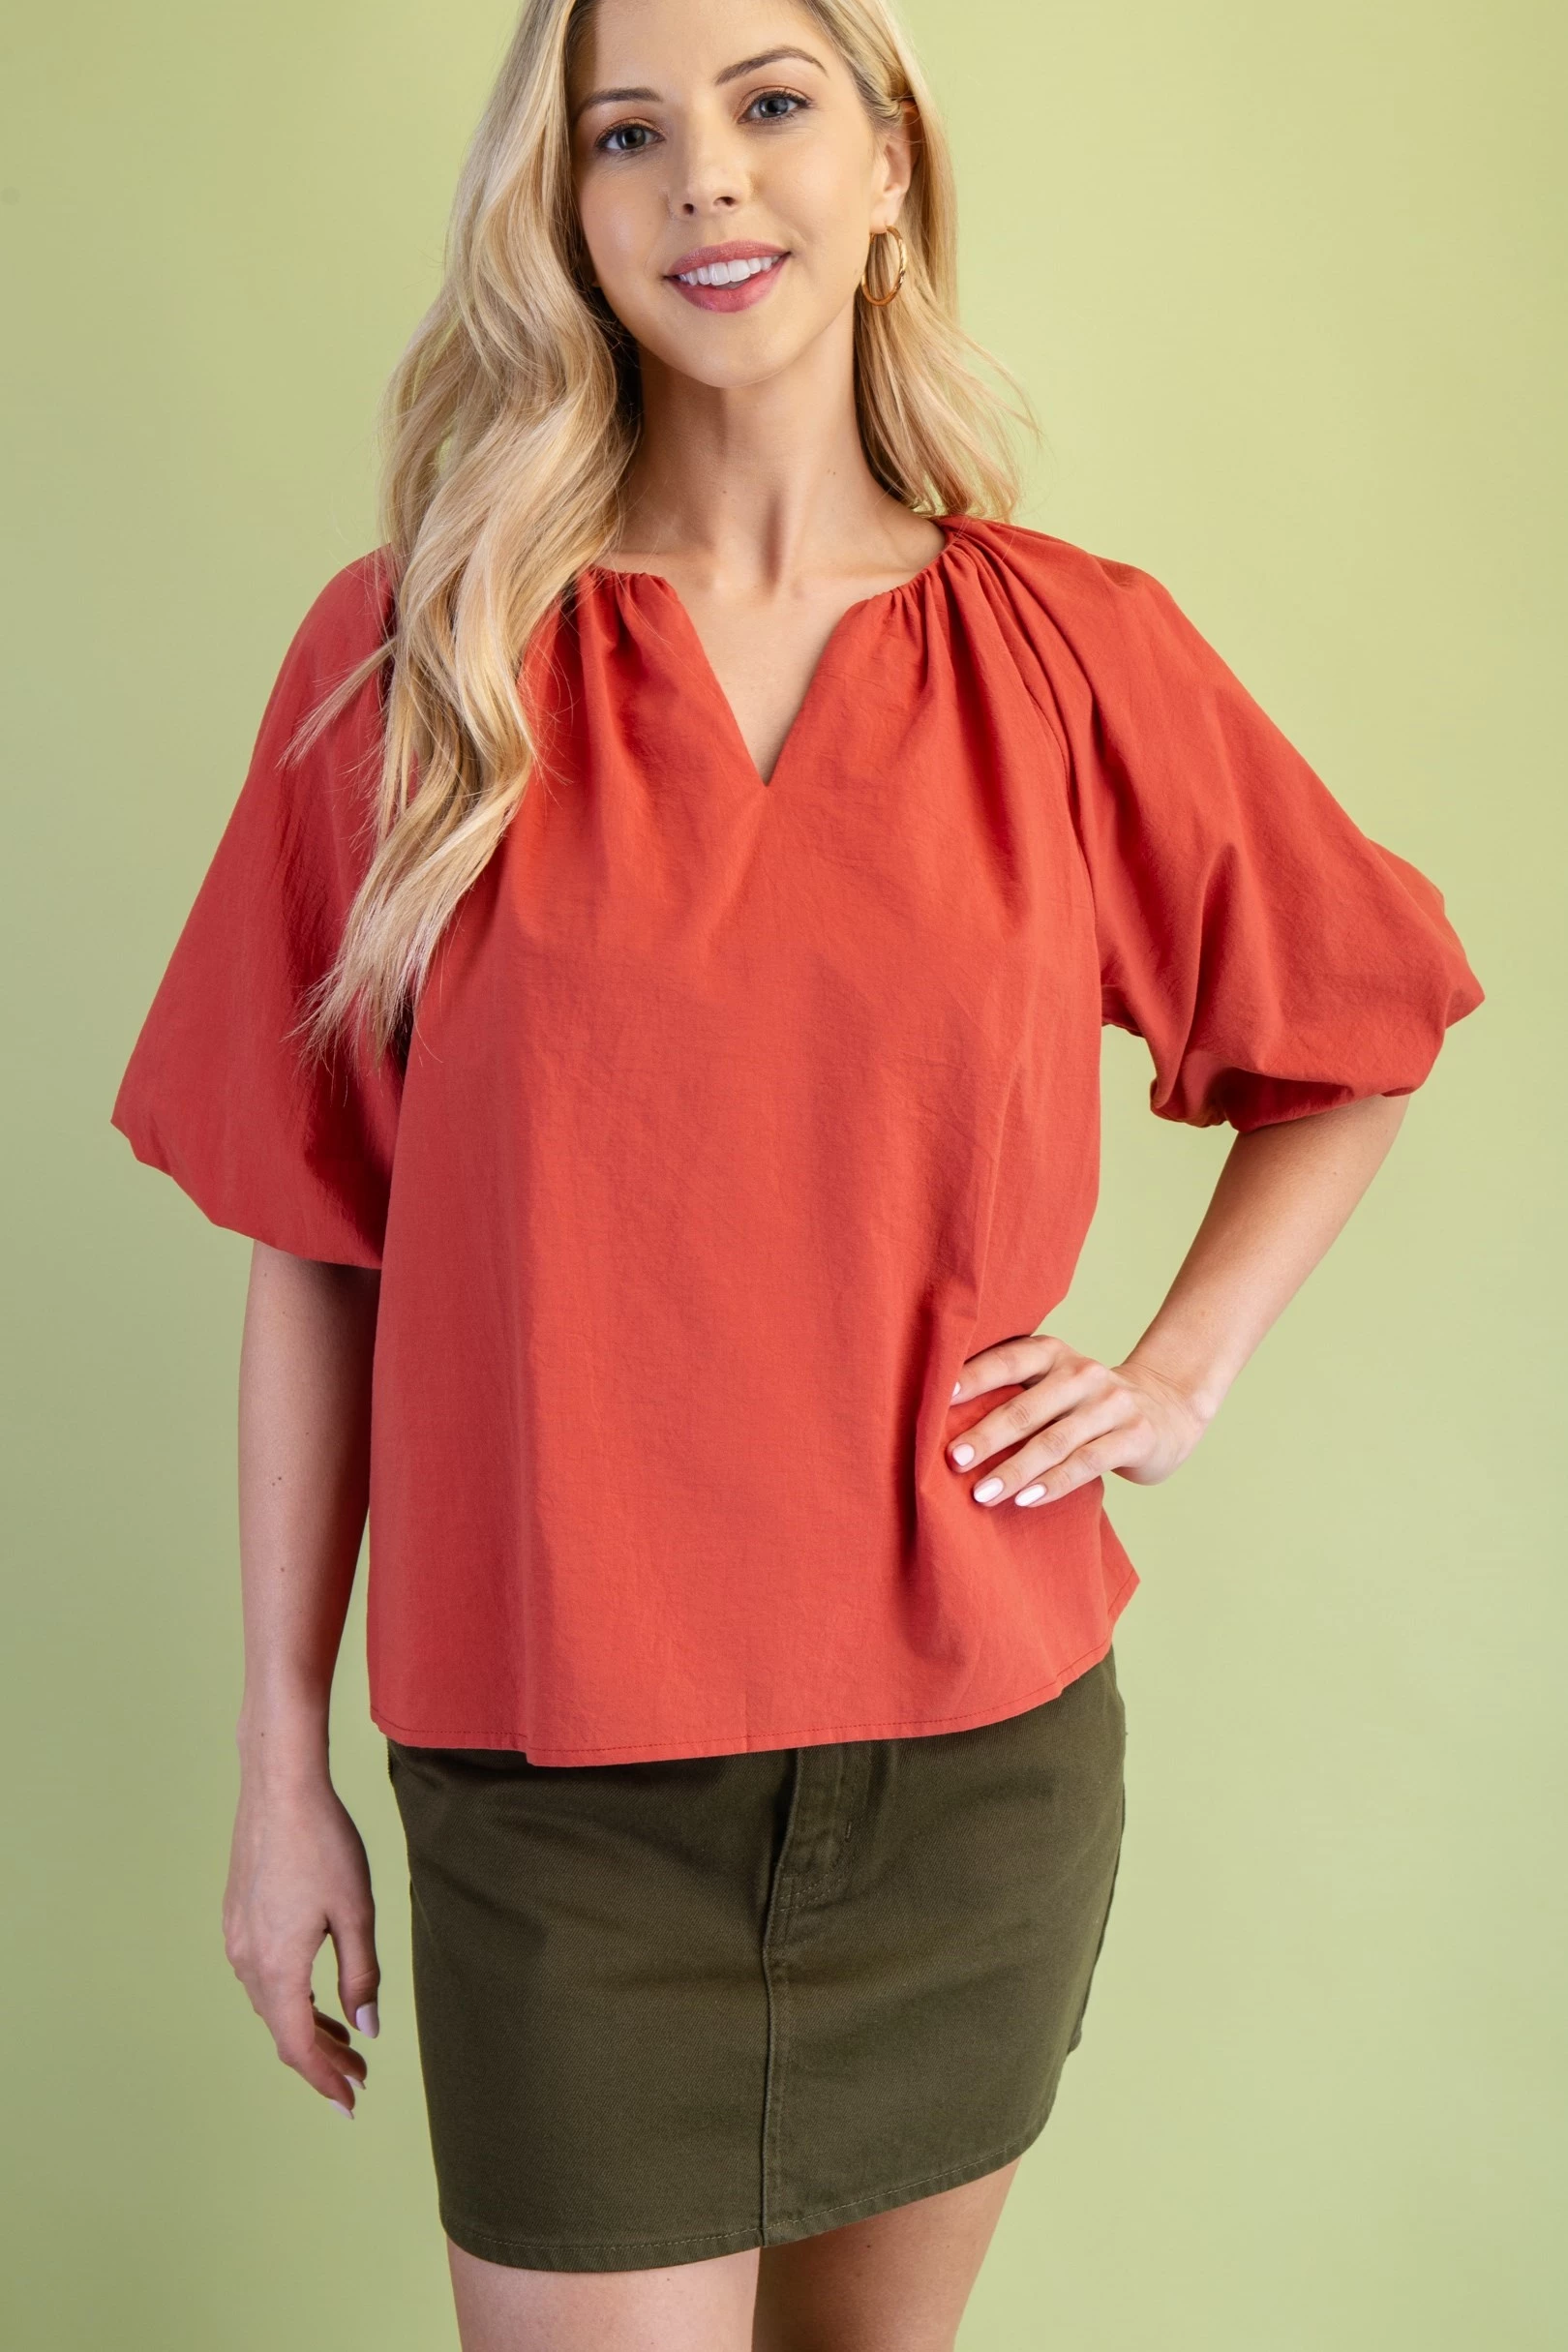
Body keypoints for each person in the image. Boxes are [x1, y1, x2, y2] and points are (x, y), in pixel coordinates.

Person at [108, 0, 1484, 2344]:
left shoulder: (1069, 653)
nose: (705, 181)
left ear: (885, 158)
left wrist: (1179, 1370)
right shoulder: (418, 661)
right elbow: (318, 1246)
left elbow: (1357, 1031)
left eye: (769, 105)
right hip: (561, 1800)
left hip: (973, 1781)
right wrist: (275, 1770)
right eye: (625, 135)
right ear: (566, 211)